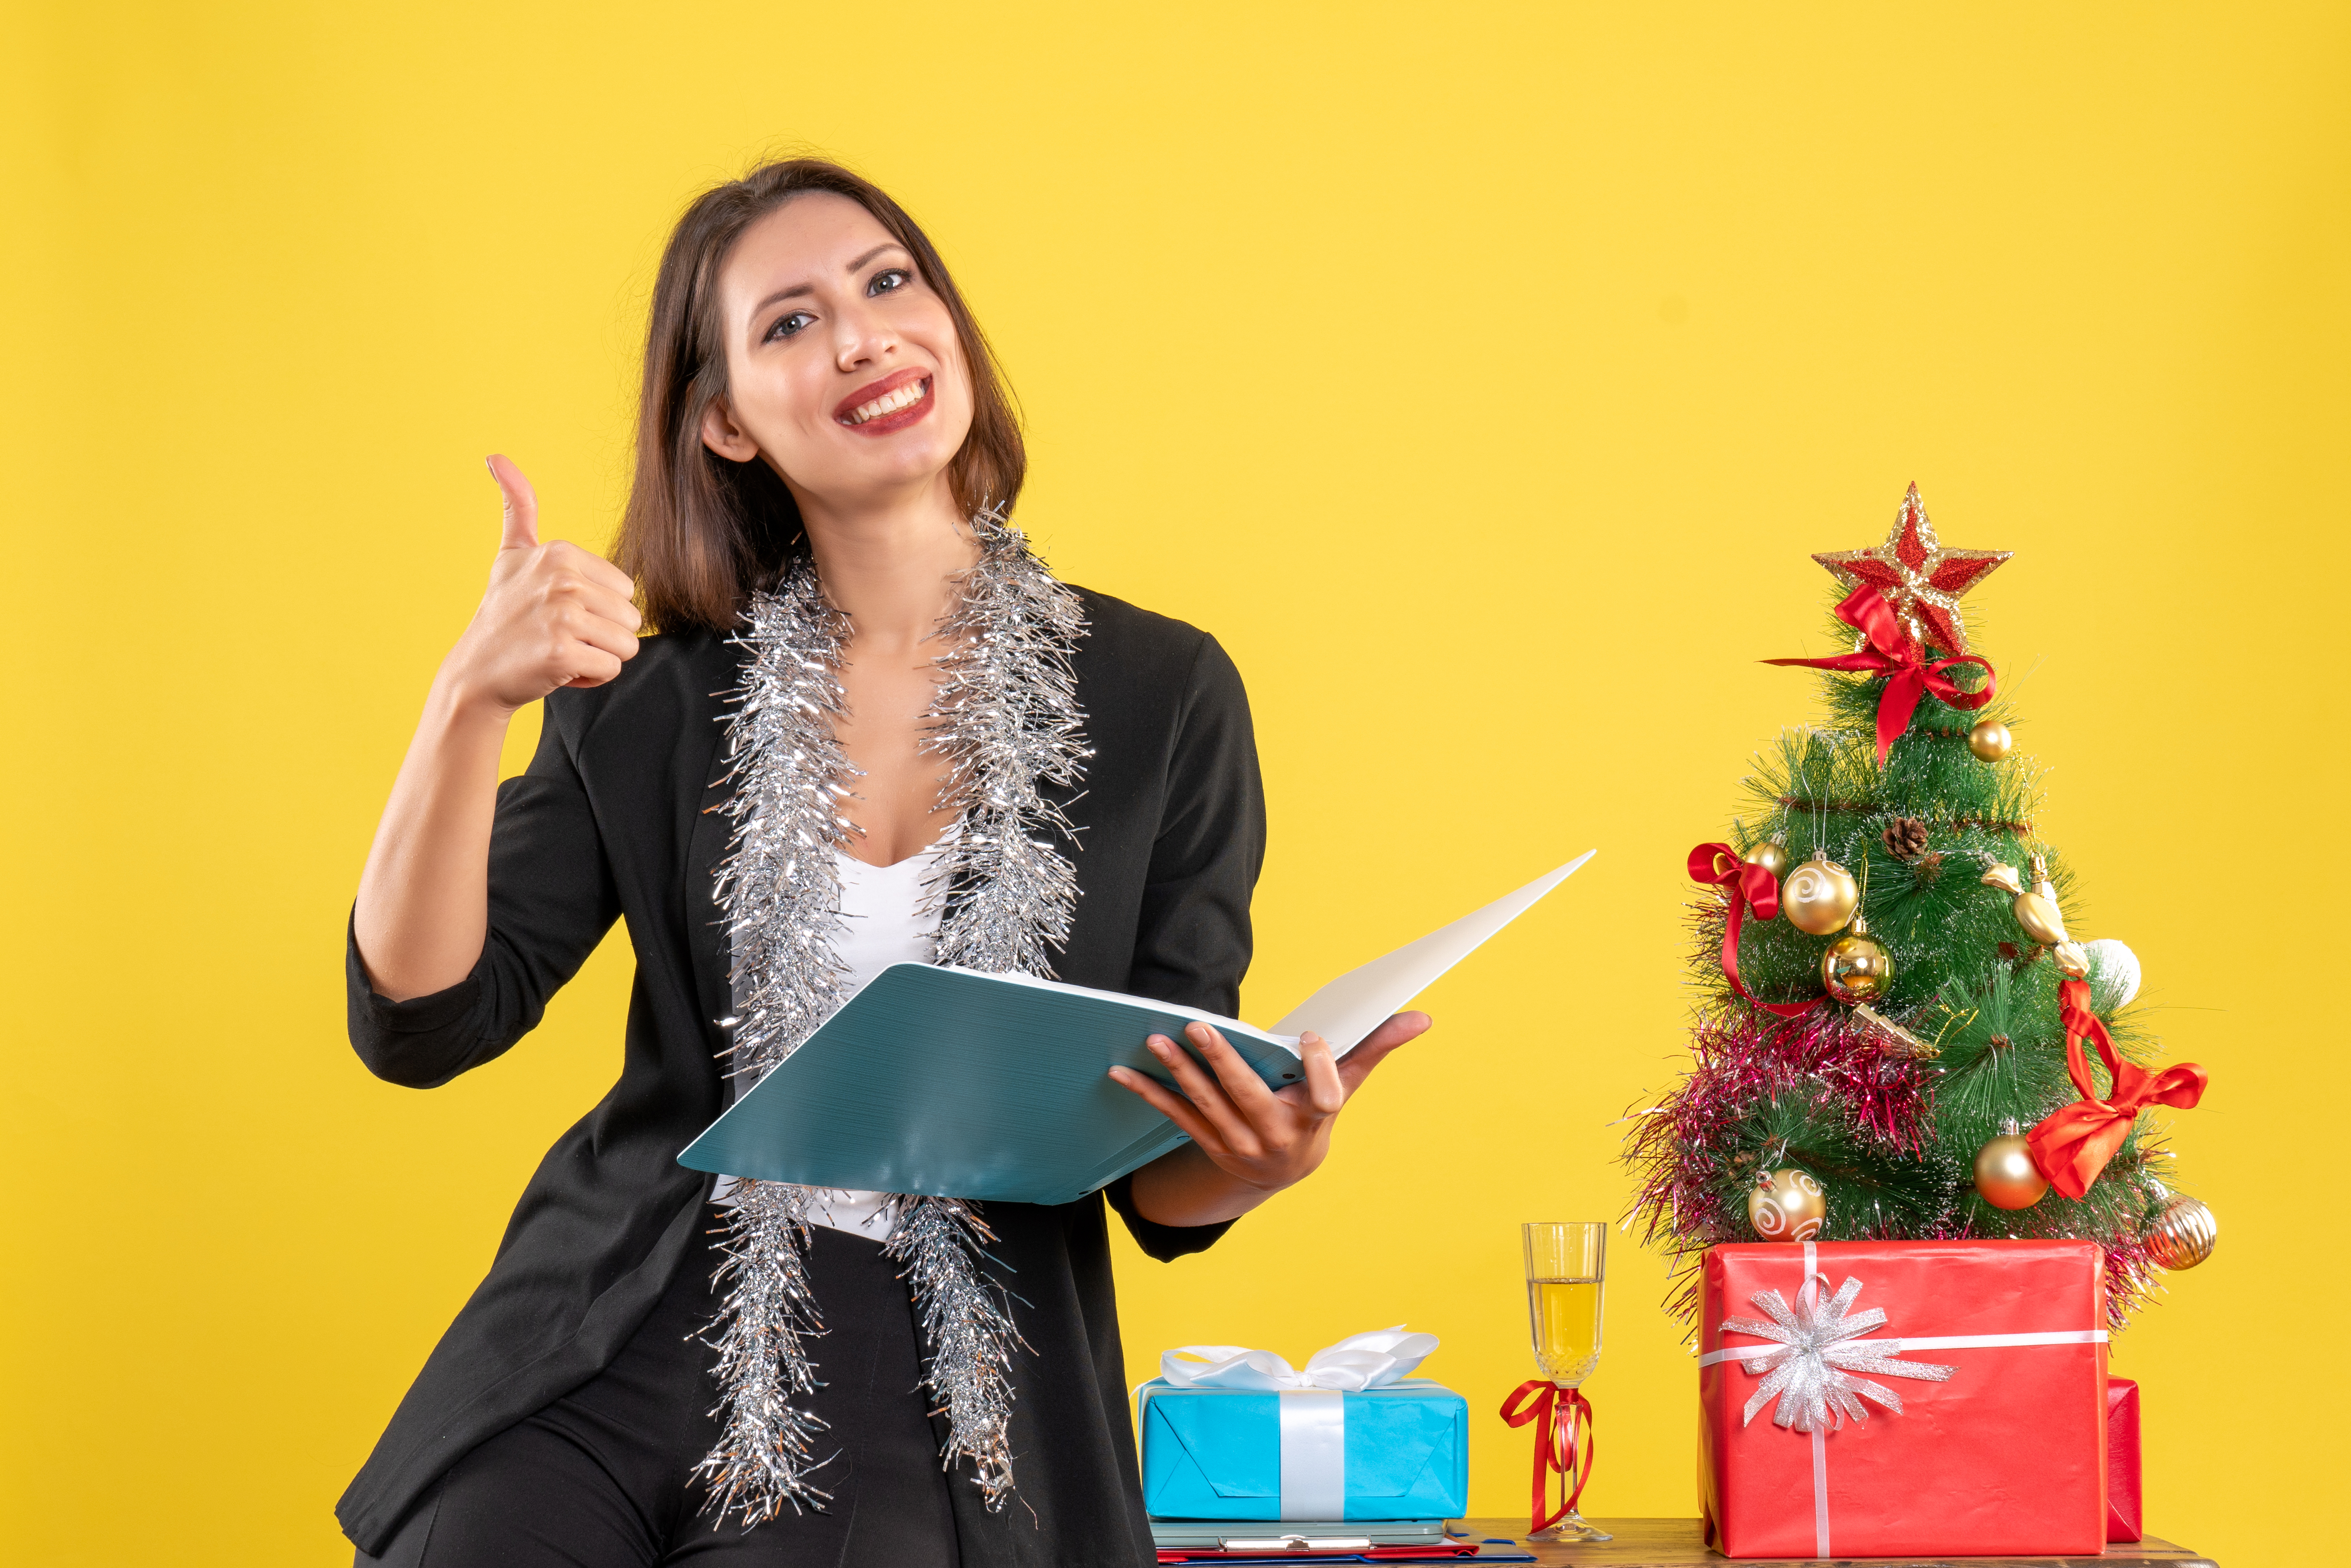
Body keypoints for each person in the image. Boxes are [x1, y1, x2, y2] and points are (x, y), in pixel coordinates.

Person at [340, 158, 1428, 1568]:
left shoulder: (1162, 691)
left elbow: (1151, 1175)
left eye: (888, 284)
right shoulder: (652, 698)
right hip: (614, 1323)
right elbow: (425, 1022)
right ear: (724, 421)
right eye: (788, 323)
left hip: (927, 1367)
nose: (861, 337)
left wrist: (1257, 1160)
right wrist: (467, 702)